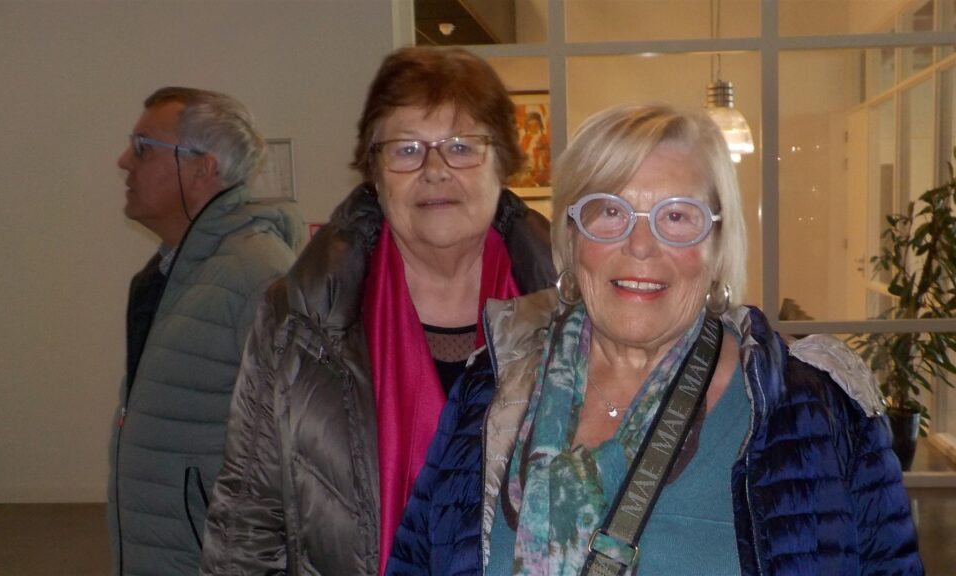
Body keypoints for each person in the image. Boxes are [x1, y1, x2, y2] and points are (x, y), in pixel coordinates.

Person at [388, 104, 924, 575]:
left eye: (677, 216)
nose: (641, 245)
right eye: (610, 211)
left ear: (718, 246)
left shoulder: (818, 412)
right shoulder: (489, 393)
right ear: (572, 239)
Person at [199, 47, 556, 576]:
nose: (434, 171)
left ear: (503, 163)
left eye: (461, 147)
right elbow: (248, 520)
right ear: (374, 171)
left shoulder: (570, 312)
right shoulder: (299, 315)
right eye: (406, 150)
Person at [108, 87, 304, 576]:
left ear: (202, 168)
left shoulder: (257, 275)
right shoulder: (175, 272)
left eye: (143, 148)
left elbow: (300, 455)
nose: (124, 162)